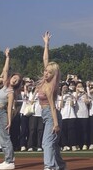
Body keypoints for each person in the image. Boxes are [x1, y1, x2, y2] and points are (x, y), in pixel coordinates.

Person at [33, 31, 66, 170]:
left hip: (52, 116)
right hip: (46, 115)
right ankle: (60, 166)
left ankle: (49, 167)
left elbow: (53, 107)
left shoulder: (50, 88)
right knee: (51, 144)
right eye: (45, 71)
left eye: (49, 72)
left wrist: (56, 124)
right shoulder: (44, 82)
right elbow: (45, 60)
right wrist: (46, 44)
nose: (45, 73)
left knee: (46, 143)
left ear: (53, 75)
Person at [0, 47, 23, 169]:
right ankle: (9, 158)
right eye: (14, 77)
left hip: (1, 113)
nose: (15, 80)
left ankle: (9, 161)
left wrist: (9, 121)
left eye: (17, 80)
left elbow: (10, 107)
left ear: (18, 83)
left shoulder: (11, 92)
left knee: (4, 137)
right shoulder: (5, 85)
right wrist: (7, 57)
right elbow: (5, 70)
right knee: (1, 136)